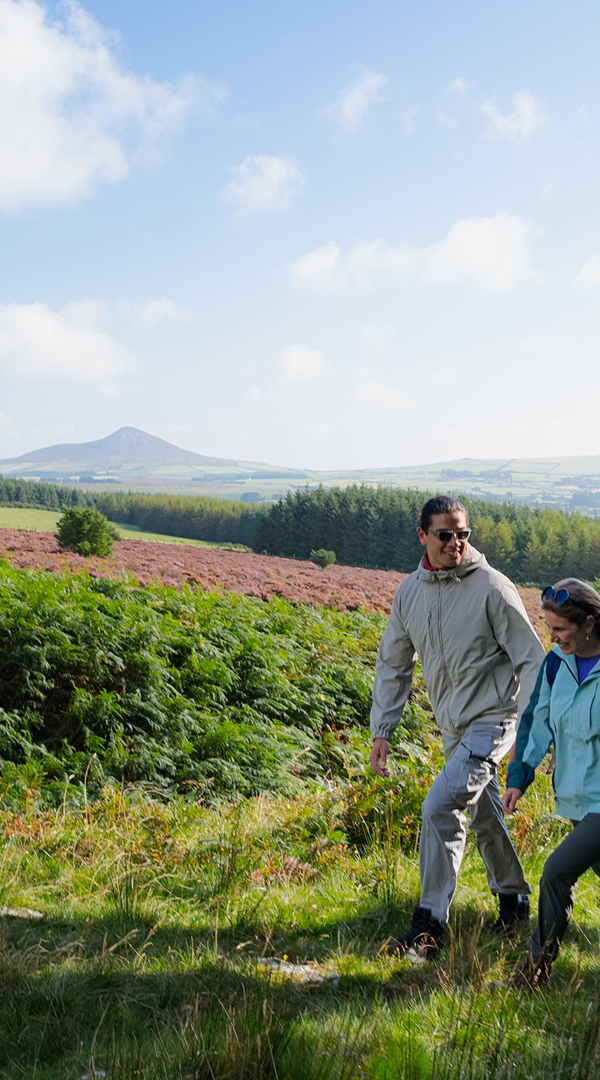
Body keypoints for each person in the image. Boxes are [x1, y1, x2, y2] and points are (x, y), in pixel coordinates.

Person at [370, 495, 545, 960]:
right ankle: (514, 900)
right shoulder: (410, 592)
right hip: (454, 727)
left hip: (495, 719)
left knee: (441, 806)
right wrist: (382, 729)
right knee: (485, 815)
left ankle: (428, 927)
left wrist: (529, 734)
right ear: (423, 535)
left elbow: (532, 662)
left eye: (462, 534)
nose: (455, 543)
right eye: (445, 535)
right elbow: (393, 664)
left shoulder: (492, 588)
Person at [503, 578, 600, 989]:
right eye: (549, 627)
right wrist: (518, 778)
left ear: (589, 623)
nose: (553, 636)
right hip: (577, 800)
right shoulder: (555, 665)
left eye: (561, 628)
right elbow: (536, 723)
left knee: (556, 873)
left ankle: (533, 973)